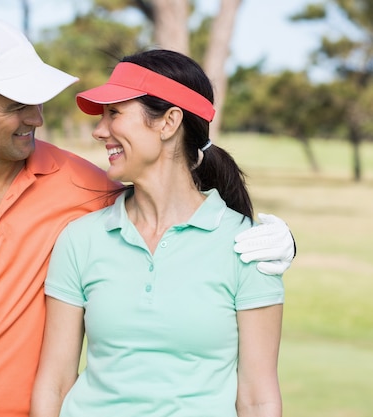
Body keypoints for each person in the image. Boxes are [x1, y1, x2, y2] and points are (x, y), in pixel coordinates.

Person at [0, 17, 293, 417]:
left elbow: (171, 199)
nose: (37, 118)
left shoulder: (87, 186)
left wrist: (277, 239)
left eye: (38, 101)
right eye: (16, 106)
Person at [29, 49, 285, 417]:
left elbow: (259, 398)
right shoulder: (80, 239)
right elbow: (54, 384)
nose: (99, 131)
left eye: (114, 113)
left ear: (168, 122)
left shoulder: (248, 246)